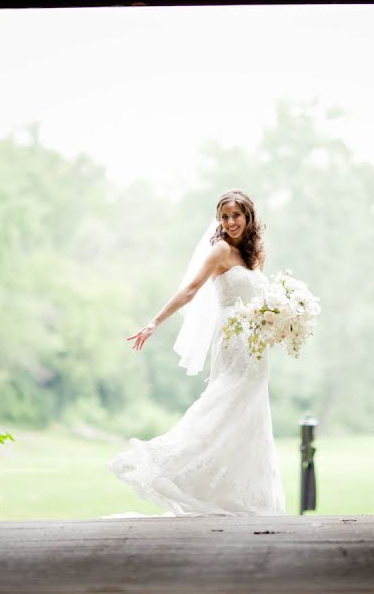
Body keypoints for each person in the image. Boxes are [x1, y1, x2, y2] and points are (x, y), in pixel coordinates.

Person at [107, 190, 286, 517]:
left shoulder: (255, 254)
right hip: (233, 339)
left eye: (236, 216)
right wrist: (154, 322)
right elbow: (190, 289)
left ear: (249, 217)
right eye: (225, 217)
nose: (230, 222)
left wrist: (283, 322)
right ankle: (164, 463)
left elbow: (263, 299)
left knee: (249, 413)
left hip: (257, 344)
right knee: (223, 402)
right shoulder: (219, 250)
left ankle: (239, 496)